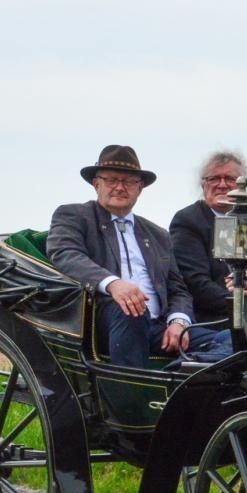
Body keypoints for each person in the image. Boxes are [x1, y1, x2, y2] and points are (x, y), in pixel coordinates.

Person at [48, 145, 226, 367]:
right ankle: (137, 387)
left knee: (232, 340)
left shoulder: (157, 235)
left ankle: (180, 374)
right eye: (112, 180)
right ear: (96, 184)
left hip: (159, 327)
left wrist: (178, 321)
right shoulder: (75, 216)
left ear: (140, 188)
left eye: (129, 182)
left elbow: (178, 288)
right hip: (103, 322)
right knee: (131, 311)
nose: (120, 187)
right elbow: (66, 254)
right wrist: (113, 284)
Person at [169, 150, 247, 335]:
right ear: (203, 184)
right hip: (215, 321)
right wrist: (239, 299)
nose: (222, 185)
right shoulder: (189, 221)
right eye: (214, 178)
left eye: (230, 179)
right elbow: (195, 282)